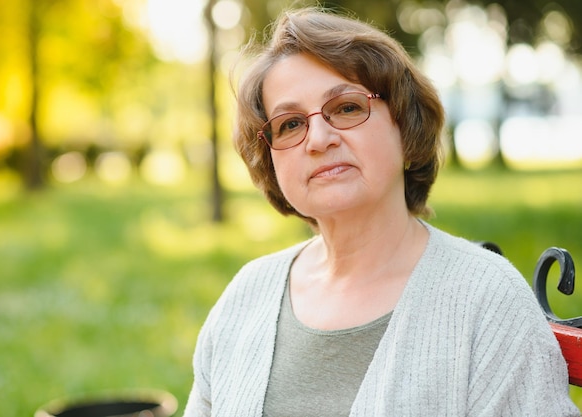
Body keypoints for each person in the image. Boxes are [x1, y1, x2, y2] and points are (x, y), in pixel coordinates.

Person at [183, 7, 579, 417]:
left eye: (348, 107)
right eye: (290, 124)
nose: (318, 138)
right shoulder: (246, 297)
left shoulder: (486, 300)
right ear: (271, 161)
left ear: (404, 126)